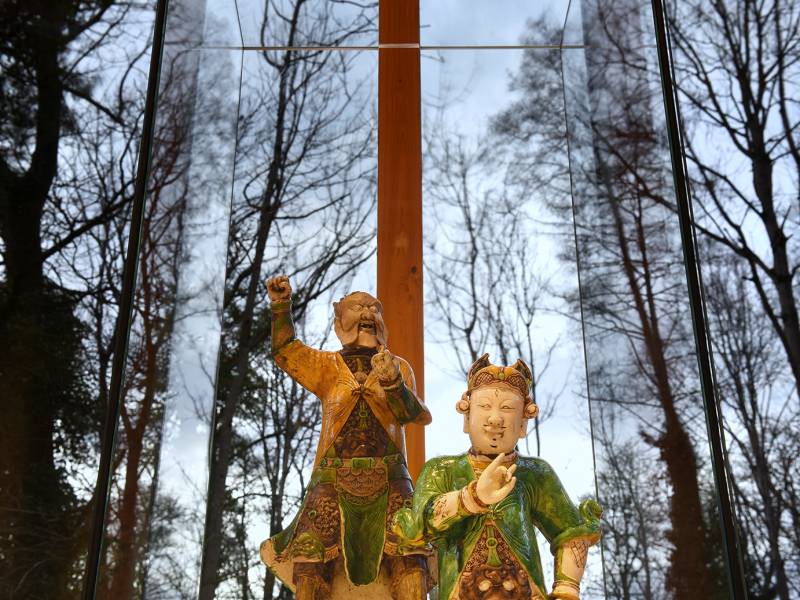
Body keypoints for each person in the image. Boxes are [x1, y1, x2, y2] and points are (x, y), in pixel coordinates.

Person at [260, 275, 431, 599]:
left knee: (411, 551)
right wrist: (281, 307)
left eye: (374, 308)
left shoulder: (398, 366)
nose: (367, 313)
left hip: (391, 477)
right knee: (310, 556)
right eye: (358, 307)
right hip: (331, 477)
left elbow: (416, 415)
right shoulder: (326, 366)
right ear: (340, 320)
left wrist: (393, 382)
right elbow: (286, 351)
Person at [393, 354, 602, 600]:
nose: (495, 418)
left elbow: (572, 533)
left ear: (523, 422)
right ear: (467, 417)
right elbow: (418, 528)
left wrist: (567, 590)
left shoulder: (534, 474)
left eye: (507, 408)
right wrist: (471, 498)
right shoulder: (442, 470)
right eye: (484, 407)